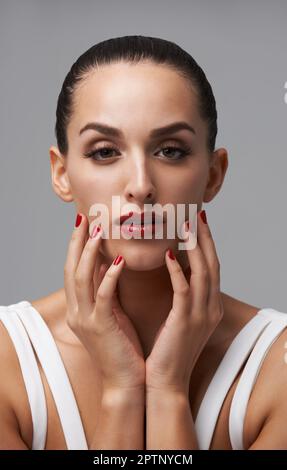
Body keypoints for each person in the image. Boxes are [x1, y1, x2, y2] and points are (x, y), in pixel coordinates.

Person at [1, 35, 287, 451]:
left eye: (170, 151)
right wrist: (121, 391)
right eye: (104, 152)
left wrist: (169, 391)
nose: (140, 186)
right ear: (61, 173)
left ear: (213, 174)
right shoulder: (8, 359)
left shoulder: (276, 366)